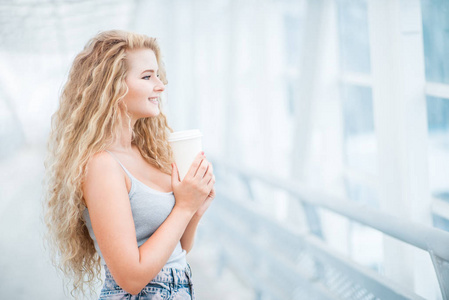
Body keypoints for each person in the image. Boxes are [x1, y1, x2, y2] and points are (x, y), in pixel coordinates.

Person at [44, 30, 215, 299]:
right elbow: (131, 278)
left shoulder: (149, 153)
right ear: (112, 87)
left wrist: (195, 208)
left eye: (158, 75)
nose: (160, 85)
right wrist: (183, 206)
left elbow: (178, 249)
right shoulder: (102, 165)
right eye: (147, 77)